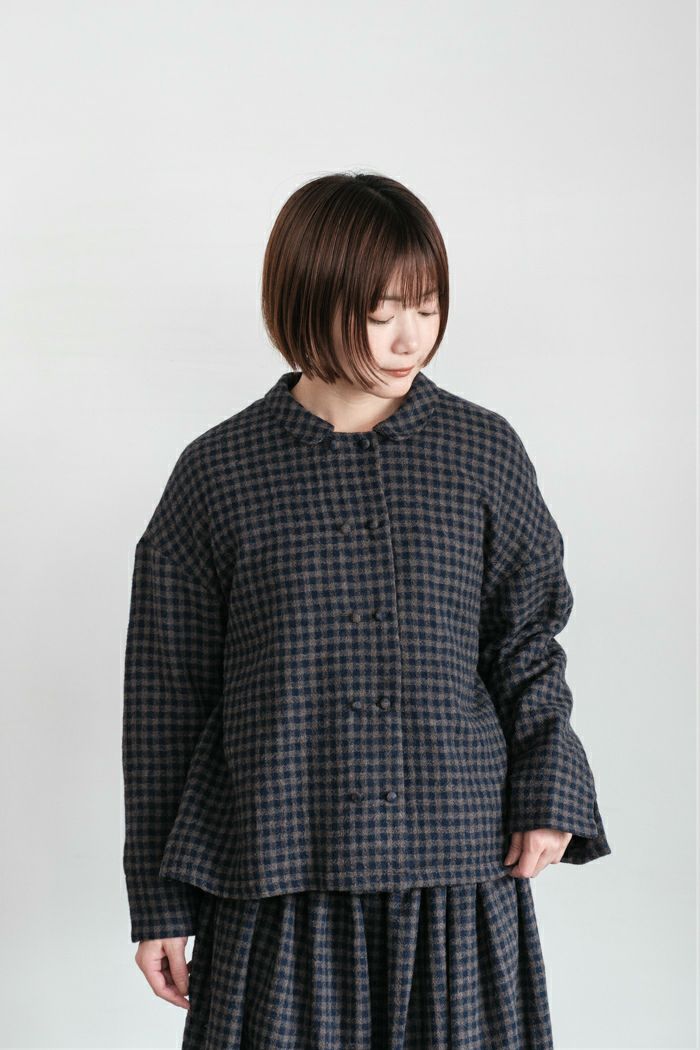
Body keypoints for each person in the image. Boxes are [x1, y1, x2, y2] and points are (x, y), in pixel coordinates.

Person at [122, 171, 611, 1048]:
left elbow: (527, 639)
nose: (409, 336)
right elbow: (165, 697)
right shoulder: (219, 474)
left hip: (454, 870)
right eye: (381, 311)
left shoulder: (481, 452)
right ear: (307, 301)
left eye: (427, 306)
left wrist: (548, 786)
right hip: (277, 874)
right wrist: (158, 901)